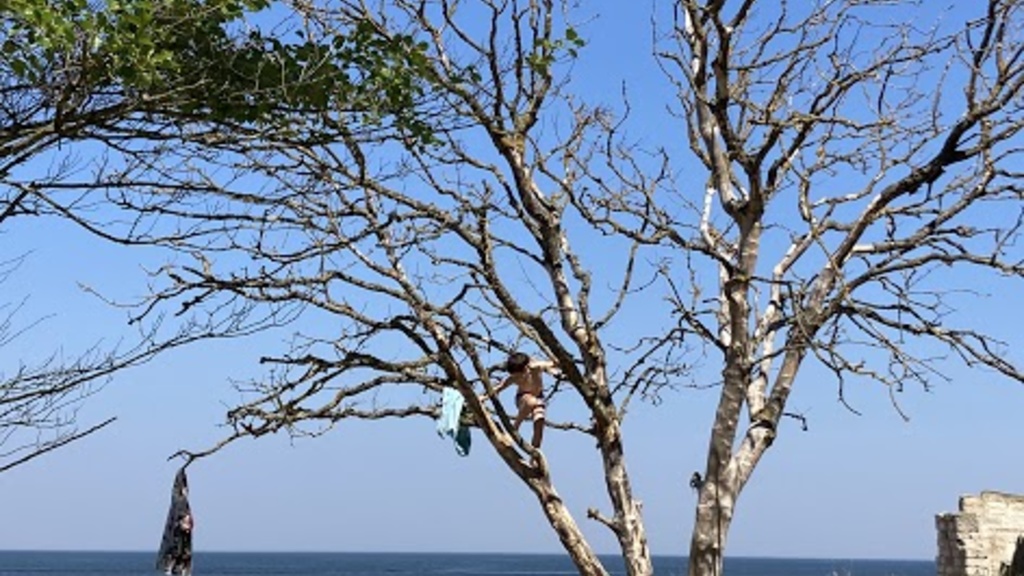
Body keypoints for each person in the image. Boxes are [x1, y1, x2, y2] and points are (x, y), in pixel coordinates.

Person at [485, 351, 561, 449]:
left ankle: (535, 453)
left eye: (518, 374)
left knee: (539, 421)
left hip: (538, 399)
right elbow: (499, 387)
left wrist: (557, 363)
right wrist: (483, 397)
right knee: (531, 401)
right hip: (522, 398)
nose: (516, 377)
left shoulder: (536, 368)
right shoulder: (513, 378)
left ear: (525, 369)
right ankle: (514, 429)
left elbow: (553, 363)